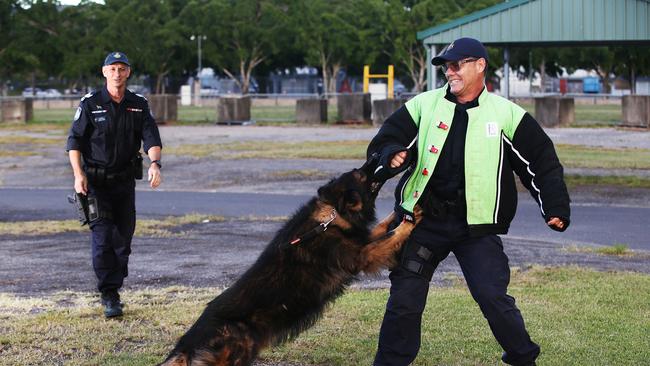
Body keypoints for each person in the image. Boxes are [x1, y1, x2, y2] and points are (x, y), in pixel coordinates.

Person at [367, 37, 570, 366]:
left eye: (456, 65)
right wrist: (390, 156)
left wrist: (555, 208)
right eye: (446, 66)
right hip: (422, 222)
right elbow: (386, 139)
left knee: (492, 296)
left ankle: (523, 358)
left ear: (480, 65)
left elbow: (542, 162)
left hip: (475, 228)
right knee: (404, 300)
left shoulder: (506, 115)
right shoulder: (424, 106)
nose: (449, 72)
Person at [66, 51, 163, 318]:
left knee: (123, 239)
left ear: (128, 72)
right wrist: (78, 174)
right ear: (104, 72)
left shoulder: (138, 104)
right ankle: (109, 292)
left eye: (122, 69)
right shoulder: (90, 103)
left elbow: (151, 138)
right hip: (95, 182)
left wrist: (155, 163)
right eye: (113, 69)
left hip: (124, 183)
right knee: (102, 236)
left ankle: (115, 282)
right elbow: (74, 142)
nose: (117, 73)